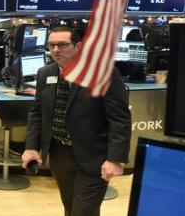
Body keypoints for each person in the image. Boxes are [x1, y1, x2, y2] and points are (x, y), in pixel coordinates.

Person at [22, 26, 131, 216]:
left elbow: (120, 119)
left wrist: (115, 158)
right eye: (52, 45)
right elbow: (37, 113)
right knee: (70, 206)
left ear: (78, 46)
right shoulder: (45, 73)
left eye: (62, 45)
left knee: (83, 212)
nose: (56, 50)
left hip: (93, 155)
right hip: (60, 154)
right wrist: (31, 147)